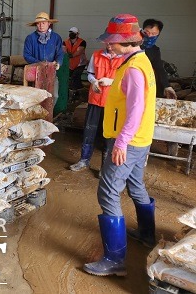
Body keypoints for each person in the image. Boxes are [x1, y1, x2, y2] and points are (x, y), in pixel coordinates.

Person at [84, 14, 156, 277]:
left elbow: (136, 108)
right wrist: (111, 83)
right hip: (141, 139)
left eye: (113, 41)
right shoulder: (138, 61)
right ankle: (147, 235)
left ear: (126, 42)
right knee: (136, 185)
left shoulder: (134, 68)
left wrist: (121, 142)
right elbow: (135, 96)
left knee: (108, 192)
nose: (109, 46)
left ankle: (115, 261)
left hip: (128, 139)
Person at [69, 44, 124, 172]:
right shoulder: (97, 55)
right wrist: (93, 81)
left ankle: (105, 166)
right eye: (107, 43)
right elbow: (90, 74)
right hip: (95, 99)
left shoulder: (124, 58)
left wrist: (111, 82)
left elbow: (126, 79)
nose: (110, 46)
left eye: (112, 43)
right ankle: (84, 160)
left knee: (108, 135)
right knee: (89, 131)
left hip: (112, 103)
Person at [24, 12, 64, 102]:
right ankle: (37, 115)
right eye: (38, 23)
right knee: (36, 97)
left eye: (43, 23)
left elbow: (60, 53)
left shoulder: (56, 38)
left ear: (49, 23)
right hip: (35, 72)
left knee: (54, 96)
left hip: (51, 71)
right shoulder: (30, 38)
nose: (41, 25)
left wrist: (58, 62)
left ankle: (48, 115)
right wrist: (39, 63)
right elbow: (27, 55)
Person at [142, 18, 177, 99]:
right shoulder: (132, 45)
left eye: (153, 33)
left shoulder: (154, 50)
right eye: (147, 32)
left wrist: (167, 86)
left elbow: (159, 68)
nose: (149, 36)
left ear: (158, 34)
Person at [64, 26, 87, 100]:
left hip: (80, 64)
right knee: (72, 78)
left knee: (74, 77)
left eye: (73, 33)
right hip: (71, 64)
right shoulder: (65, 42)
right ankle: (81, 92)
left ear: (77, 34)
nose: (71, 34)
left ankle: (73, 95)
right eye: (70, 32)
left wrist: (70, 55)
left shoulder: (82, 42)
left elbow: (79, 51)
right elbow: (63, 49)